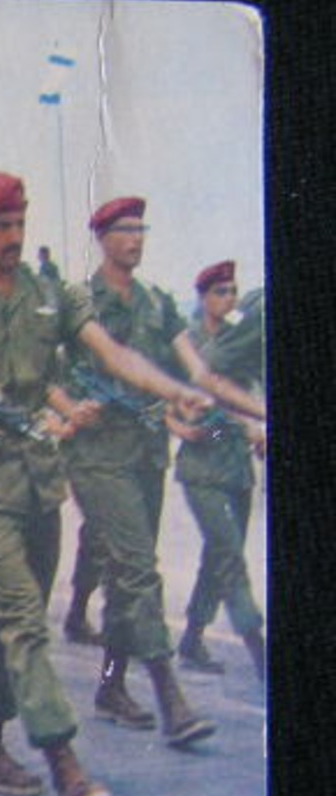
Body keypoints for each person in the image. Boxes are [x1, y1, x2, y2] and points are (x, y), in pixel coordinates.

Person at [0, 173, 219, 796]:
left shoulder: (51, 294)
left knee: (17, 622)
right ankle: (66, 766)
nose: (12, 237)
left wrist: (171, 389)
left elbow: (112, 353)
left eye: (19, 224)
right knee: (23, 622)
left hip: (37, 481)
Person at [53, 198, 265, 741]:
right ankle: (171, 697)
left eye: (141, 229)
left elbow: (200, 372)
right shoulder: (79, 301)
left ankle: (110, 684)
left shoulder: (157, 303)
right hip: (97, 454)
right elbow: (43, 372)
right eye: (124, 229)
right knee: (137, 567)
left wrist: (250, 410)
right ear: (101, 236)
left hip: (146, 452)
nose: (136, 238)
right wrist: (67, 409)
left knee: (131, 572)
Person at [170, 262, 267, 680]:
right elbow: (160, 397)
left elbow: (252, 392)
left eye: (232, 292)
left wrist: (258, 429)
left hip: (236, 468)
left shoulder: (238, 342)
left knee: (219, 556)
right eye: (221, 292)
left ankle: (192, 637)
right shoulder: (185, 343)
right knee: (228, 556)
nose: (228, 300)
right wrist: (177, 425)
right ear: (204, 297)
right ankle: (260, 650)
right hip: (201, 468)